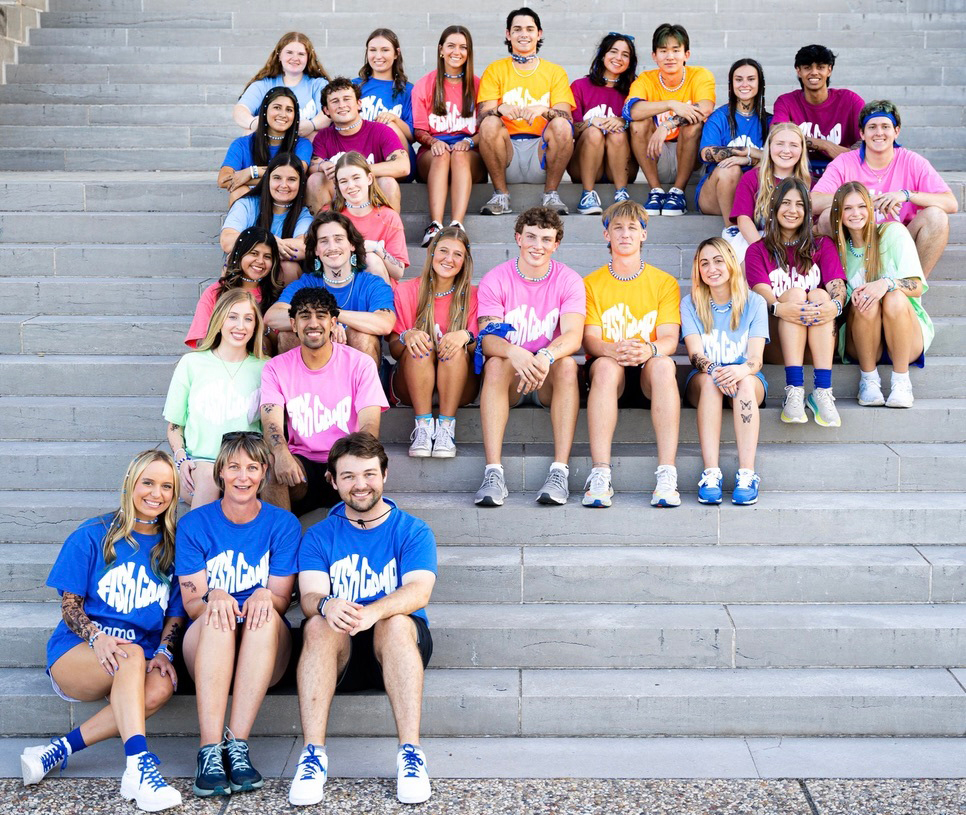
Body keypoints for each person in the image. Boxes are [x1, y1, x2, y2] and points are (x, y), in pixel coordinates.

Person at [21, 451, 183, 812]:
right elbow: (70, 606)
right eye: (148, 482)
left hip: (136, 657)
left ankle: (58, 750)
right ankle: (138, 767)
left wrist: (165, 651)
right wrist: (97, 637)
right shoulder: (93, 534)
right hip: (79, 653)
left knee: (160, 686)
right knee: (130, 655)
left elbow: (175, 614)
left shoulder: (172, 548)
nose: (156, 493)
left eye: (166, 486)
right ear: (130, 483)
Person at [288, 433, 437, 807]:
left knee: (396, 621)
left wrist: (374, 611)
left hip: (399, 645)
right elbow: (309, 597)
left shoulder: (412, 530)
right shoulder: (319, 535)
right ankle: (312, 757)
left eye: (369, 474)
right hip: (342, 651)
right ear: (332, 481)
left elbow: (419, 591)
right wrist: (326, 605)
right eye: (349, 476)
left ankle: (411, 755)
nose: (360, 484)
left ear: (384, 474)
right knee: (317, 624)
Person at [176, 433, 301, 798]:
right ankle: (209, 751)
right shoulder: (195, 524)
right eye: (233, 467)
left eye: (252, 467)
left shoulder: (283, 524)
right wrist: (214, 596)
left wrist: (266, 595)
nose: (242, 477)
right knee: (217, 615)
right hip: (207, 644)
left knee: (264, 614)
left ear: (263, 473)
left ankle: (238, 746)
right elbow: (192, 604)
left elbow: (281, 600)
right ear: (220, 472)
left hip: (264, 647)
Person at [474, 207, 585, 506]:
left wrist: (545, 355)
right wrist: (515, 352)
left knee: (567, 365)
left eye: (546, 239)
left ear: (556, 244)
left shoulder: (569, 280)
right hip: (511, 379)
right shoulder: (496, 279)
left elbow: (573, 335)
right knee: (496, 364)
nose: (538, 245)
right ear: (518, 238)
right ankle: (493, 473)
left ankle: (559, 471)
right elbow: (487, 338)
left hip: (547, 378)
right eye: (531, 237)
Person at [582, 201, 681, 508]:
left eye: (632, 228)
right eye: (618, 228)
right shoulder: (590, 283)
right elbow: (589, 340)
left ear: (643, 235)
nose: (625, 234)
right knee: (606, 366)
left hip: (649, 374)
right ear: (606, 235)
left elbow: (670, 338)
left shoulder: (664, 282)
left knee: (664, 365)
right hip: (608, 375)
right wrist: (612, 349)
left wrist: (648, 349)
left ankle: (667, 475)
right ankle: (600, 474)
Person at [260, 287, 389, 515]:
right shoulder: (275, 367)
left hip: (348, 459)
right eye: (305, 316)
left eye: (321, 315)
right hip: (303, 466)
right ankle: (281, 538)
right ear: (293, 324)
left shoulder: (360, 364)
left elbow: (370, 427)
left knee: (366, 466)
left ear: (333, 323)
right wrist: (281, 454)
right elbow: (271, 424)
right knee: (271, 468)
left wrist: (342, 463)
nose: (313, 323)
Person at [812, 100, 958, 278]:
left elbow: (951, 203)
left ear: (896, 131)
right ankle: (840, 281)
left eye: (885, 126)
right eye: (872, 127)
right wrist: (863, 200)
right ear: (862, 133)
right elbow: (813, 201)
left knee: (937, 217)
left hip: (897, 242)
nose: (879, 132)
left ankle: (912, 286)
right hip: (854, 243)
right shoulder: (844, 162)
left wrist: (906, 195)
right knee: (827, 216)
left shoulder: (912, 161)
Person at [745, 177, 847, 427]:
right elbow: (764, 295)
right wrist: (784, 308)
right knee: (795, 295)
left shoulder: (822, 245)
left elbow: (837, 288)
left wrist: (833, 306)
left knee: (821, 296)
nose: (792, 210)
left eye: (800, 204)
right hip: (776, 342)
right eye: (786, 203)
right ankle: (794, 389)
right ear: (774, 207)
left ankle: (822, 391)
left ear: (808, 211)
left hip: (817, 343)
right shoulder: (757, 250)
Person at [830, 181, 933, 408]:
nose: (856, 213)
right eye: (848, 208)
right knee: (865, 300)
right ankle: (868, 382)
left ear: (870, 208)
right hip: (862, 341)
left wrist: (886, 284)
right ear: (838, 213)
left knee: (894, 296)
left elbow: (917, 287)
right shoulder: (837, 250)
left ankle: (901, 383)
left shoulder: (893, 233)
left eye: (861, 206)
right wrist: (858, 297)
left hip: (906, 336)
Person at [682, 239, 769, 505]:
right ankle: (711, 473)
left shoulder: (755, 302)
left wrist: (739, 371)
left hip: (746, 377)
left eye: (718, 261)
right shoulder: (690, 303)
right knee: (710, 384)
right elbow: (695, 355)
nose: (712, 269)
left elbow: (756, 359)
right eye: (704, 263)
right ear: (698, 270)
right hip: (705, 377)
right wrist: (717, 372)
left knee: (746, 384)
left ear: (731, 262)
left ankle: (747, 474)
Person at [165, 289, 268, 510]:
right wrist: (181, 459)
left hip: (245, 464)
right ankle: (195, 534)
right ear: (219, 320)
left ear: (256, 326)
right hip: (199, 463)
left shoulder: (266, 367)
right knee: (208, 476)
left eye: (248, 319)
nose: (240, 326)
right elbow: (174, 425)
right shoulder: (191, 363)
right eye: (233, 317)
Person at [476, 6, 576, 216]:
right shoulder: (495, 69)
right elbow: (482, 117)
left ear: (539, 34)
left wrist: (544, 110)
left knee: (561, 125)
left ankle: (551, 195)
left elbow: (566, 117)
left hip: (541, 153)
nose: (524, 34)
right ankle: (501, 195)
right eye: (517, 29)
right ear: (508, 34)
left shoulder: (554, 71)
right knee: (490, 123)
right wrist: (499, 109)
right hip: (506, 154)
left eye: (530, 29)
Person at [390, 226, 479, 458]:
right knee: (421, 345)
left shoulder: (473, 295)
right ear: (432, 252)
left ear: (465, 261)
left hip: (459, 386)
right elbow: (394, 349)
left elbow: (481, 350)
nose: (449, 259)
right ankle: (423, 427)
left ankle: (446, 429)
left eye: (457, 254)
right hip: (413, 383)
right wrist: (407, 336)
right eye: (443, 251)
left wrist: (465, 336)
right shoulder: (406, 291)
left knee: (455, 347)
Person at [264, 211, 395, 365]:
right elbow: (272, 317)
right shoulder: (306, 284)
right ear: (316, 250)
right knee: (288, 336)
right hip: (312, 365)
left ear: (352, 244)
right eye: (324, 241)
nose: (332, 247)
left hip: (357, 366)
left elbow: (385, 323)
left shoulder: (372, 284)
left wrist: (334, 314)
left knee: (360, 336)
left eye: (338, 239)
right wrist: (326, 325)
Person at [624, 23, 715, 217]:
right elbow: (631, 111)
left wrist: (667, 124)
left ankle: (678, 193)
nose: (670, 56)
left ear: (686, 55)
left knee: (693, 123)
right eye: (663, 51)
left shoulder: (700, 75)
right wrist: (670, 104)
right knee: (638, 123)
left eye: (676, 50)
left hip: (692, 157)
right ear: (654, 56)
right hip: (657, 154)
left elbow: (705, 107)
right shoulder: (646, 79)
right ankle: (656, 191)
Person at [411, 25, 484, 245]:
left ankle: (457, 225)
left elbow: (486, 129)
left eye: (463, 47)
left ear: (469, 52)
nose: (456, 52)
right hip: (432, 155)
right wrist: (433, 141)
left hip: (469, 155)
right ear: (441, 49)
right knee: (442, 154)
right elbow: (419, 130)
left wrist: (469, 141)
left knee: (459, 155)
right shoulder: (425, 84)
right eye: (451, 46)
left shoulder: (478, 85)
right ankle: (435, 225)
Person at [306, 77, 410, 214]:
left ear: (359, 104)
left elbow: (403, 167)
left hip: (371, 193)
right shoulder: (323, 136)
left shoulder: (380, 130)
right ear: (326, 110)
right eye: (335, 101)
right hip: (339, 195)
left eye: (347, 99)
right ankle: (325, 226)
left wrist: (355, 171)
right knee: (315, 180)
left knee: (388, 182)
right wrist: (322, 165)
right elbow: (313, 166)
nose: (342, 105)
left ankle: (387, 228)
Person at [568, 32, 638, 215]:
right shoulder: (579, 86)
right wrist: (592, 122)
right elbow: (570, 130)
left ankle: (621, 194)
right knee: (593, 132)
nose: (618, 58)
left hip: (622, 166)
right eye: (613, 51)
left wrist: (623, 121)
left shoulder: (635, 88)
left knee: (618, 132)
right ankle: (587, 195)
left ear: (630, 61)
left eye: (625, 54)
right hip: (585, 165)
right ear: (602, 54)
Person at [696, 59, 770, 230]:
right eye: (738, 79)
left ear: (760, 83)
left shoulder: (768, 121)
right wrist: (746, 153)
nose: (744, 84)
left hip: (751, 193)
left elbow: (778, 156)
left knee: (766, 167)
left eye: (751, 79)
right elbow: (707, 153)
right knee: (731, 169)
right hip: (715, 194)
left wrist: (749, 157)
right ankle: (733, 230)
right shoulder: (719, 117)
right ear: (731, 84)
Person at [772, 44, 864, 181]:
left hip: (842, 174)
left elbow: (867, 141)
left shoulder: (850, 100)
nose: (814, 72)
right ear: (798, 71)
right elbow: (777, 133)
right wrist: (824, 145)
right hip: (798, 175)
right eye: (807, 67)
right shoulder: (786, 102)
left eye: (820, 67)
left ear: (829, 70)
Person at [220, 152, 313, 284]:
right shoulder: (247, 204)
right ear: (268, 179)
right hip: (247, 269)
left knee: (289, 267)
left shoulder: (303, 214)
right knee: (232, 259)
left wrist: (261, 248)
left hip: (278, 276)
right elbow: (227, 240)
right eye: (277, 178)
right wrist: (269, 241)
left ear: (300, 183)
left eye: (291, 179)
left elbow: (303, 248)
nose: (284, 185)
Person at [185, 226, 282, 349]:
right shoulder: (216, 292)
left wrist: (264, 328)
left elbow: (281, 346)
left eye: (267, 257)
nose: (260, 261)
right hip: (221, 355)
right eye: (254, 253)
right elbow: (201, 340)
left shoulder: (277, 295)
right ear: (240, 254)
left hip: (261, 357)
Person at [220, 86, 314, 207]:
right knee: (238, 191)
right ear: (265, 110)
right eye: (277, 107)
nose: (283, 114)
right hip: (252, 203)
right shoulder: (242, 144)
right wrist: (275, 178)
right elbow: (224, 179)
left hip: (286, 202)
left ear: (295, 116)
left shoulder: (302, 144)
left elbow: (297, 171)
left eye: (289, 110)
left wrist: (251, 172)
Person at [728, 122, 811, 257]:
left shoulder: (809, 183)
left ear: (802, 149)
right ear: (769, 147)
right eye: (780, 144)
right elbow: (744, 219)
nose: (786, 150)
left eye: (794, 145)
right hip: (756, 239)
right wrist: (764, 251)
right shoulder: (752, 178)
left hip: (796, 242)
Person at [332, 151, 409, 283]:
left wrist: (377, 248)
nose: (351, 186)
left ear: (369, 179)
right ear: (338, 185)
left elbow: (399, 272)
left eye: (356, 178)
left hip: (379, 287)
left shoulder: (389, 217)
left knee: (371, 260)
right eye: (343, 181)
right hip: (342, 283)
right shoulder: (331, 217)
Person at [234, 32, 330, 138]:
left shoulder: (318, 84)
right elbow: (241, 109)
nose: (295, 58)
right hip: (269, 143)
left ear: (308, 58)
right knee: (249, 132)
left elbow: (328, 113)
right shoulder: (263, 84)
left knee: (315, 135)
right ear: (279, 55)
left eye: (301, 54)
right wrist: (254, 123)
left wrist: (312, 125)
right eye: (289, 52)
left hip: (304, 141)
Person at [355, 28, 414, 154]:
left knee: (389, 126)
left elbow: (412, 136)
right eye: (373, 50)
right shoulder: (354, 86)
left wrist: (394, 119)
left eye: (385, 50)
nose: (378, 56)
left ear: (396, 53)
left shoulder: (408, 90)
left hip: (397, 154)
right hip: (361, 154)